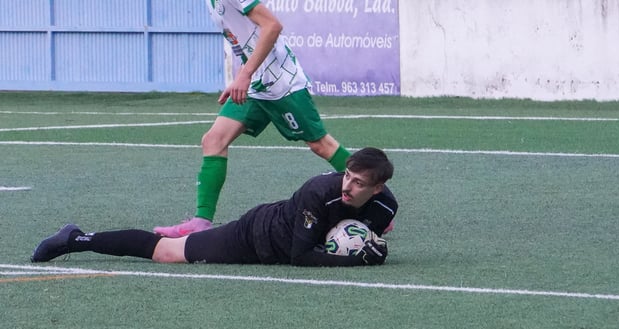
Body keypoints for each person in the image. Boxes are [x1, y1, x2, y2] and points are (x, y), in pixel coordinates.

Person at [153, 0, 353, 238]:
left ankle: (378, 199)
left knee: (320, 145)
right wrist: (242, 75)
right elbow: (245, 40)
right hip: (255, 83)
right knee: (214, 140)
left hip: (281, 81)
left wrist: (245, 74)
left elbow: (272, 26)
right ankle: (201, 221)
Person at [31, 148, 397, 267]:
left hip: (281, 244)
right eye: (347, 175)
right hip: (256, 235)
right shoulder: (318, 192)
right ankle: (75, 239)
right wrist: (357, 261)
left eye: (358, 183)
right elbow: (300, 255)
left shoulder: (385, 207)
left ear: (377, 188)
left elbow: (358, 237)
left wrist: (370, 248)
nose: (347, 186)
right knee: (167, 253)